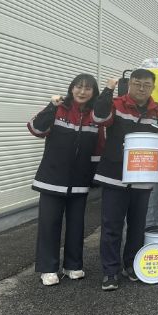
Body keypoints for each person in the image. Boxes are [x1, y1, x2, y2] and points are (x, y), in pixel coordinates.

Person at [93, 69, 158, 291]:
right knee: (112, 226)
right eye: (137, 83)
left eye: (146, 85)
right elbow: (99, 118)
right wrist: (108, 90)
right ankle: (110, 271)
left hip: (143, 178)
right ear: (129, 84)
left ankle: (131, 265)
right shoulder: (116, 105)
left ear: (153, 87)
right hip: (114, 176)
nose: (141, 88)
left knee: (137, 226)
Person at [28, 74, 102, 286]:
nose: (82, 92)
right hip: (51, 178)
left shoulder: (95, 117)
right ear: (71, 89)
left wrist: (93, 177)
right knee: (49, 225)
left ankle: (73, 265)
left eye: (87, 88)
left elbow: (98, 148)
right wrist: (51, 106)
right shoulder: (59, 109)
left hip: (79, 181)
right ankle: (48, 268)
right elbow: (36, 129)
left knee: (76, 225)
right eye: (78, 87)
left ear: (93, 93)